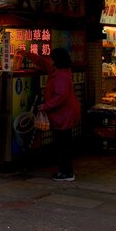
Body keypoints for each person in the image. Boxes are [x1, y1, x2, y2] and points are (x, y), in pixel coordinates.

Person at [28, 47, 81, 181]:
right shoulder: (60, 71)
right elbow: (42, 62)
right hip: (65, 114)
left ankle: (66, 173)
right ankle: (65, 171)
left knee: (63, 145)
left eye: (51, 58)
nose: (49, 60)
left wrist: (46, 106)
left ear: (56, 60)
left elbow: (61, 95)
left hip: (63, 115)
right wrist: (26, 54)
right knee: (64, 144)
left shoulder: (61, 75)